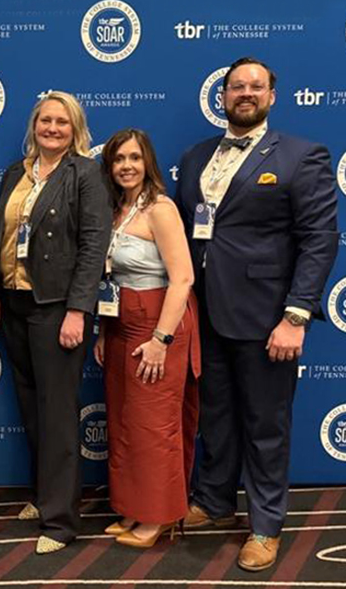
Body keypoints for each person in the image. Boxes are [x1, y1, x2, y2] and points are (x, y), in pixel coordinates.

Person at [176, 57, 338, 571]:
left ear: (271, 96)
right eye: (236, 86)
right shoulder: (197, 156)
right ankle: (215, 501)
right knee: (216, 417)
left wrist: (295, 316)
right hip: (206, 314)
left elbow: (319, 239)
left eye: (255, 86)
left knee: (266, 424)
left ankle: (266, 524)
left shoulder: (300, 156)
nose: (245, 93)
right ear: (222, 96)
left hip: (268, 318)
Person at [0, 92, 111, 554]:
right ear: (33, 124)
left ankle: (60, 520)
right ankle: (44, 494)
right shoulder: (16, 172)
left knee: (57, 413)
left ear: (75, 129)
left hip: (57, 307)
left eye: (62, 122)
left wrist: (79, 310)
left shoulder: (86, 173)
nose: (52, 128)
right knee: (32, 405)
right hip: (14, 303)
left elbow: (95, 244)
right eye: (45, 120)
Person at [93, 128, 200, 548]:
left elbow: (184, 278)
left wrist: (161, 339)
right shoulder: (116, 210)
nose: (126, 166)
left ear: (148, 162)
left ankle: (159, 517)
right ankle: (132, 507)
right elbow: (110, 279)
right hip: (120, 323)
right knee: (124, 422)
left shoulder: (161, 208)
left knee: (153, 424)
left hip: (158, 323)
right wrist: (104, 332)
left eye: (135, 158)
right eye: (119, 159)